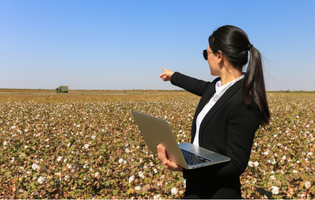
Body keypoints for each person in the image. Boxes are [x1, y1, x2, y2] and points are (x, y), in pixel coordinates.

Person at [157, 25, 270, 199]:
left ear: (219, 56)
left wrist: (187, 168)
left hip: (218, 193)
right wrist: (174, 76)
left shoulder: (244, 102)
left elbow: (237, 164)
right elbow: (197, 85)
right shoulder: (216, 87)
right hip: (196, 187)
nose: (205, 58)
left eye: (206, 53)